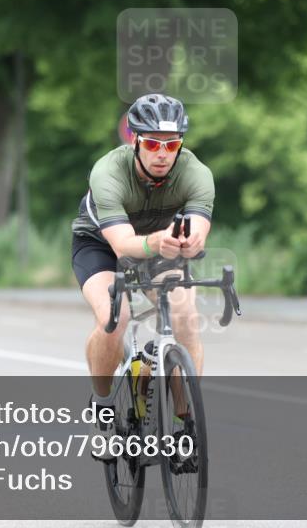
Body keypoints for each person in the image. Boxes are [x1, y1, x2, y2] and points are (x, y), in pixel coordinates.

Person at [70, 93, 214, 445]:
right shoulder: (108, 172)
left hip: (161, 244)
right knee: (114, 318)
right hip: (101, 245)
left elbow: (197, 228)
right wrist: (158, 242)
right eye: (152, 143)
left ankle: (182, 426)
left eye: (171, 144)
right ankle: (103, 407)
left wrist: (191, 241)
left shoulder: (196, 173)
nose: (162, 154)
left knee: (184, 315)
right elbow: (122, 245)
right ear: (135, 140)